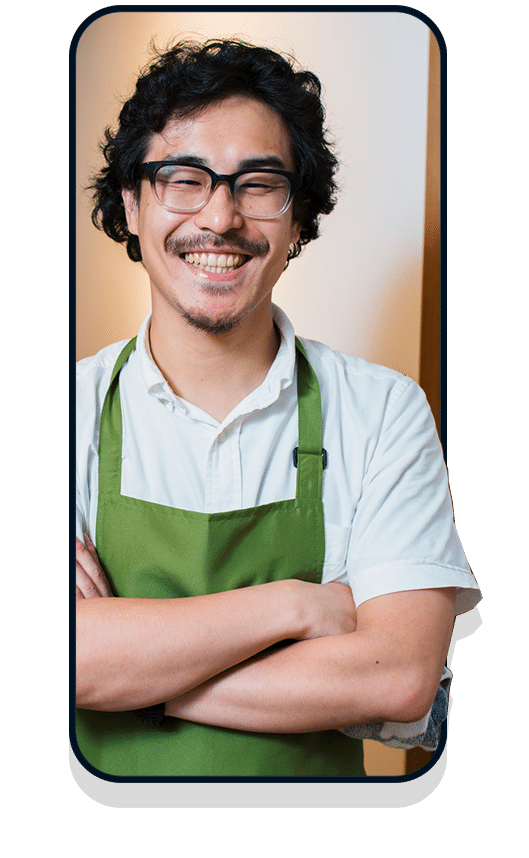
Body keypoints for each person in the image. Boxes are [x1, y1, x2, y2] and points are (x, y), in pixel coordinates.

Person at [75, 39, 481, 778]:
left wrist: (124, 675)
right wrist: (296, 608)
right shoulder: (58, 414)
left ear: (298, 220)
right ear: (131, 205)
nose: (221, 218)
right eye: (184, 180)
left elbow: (395, 680)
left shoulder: (382, 412)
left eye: (259, 184)